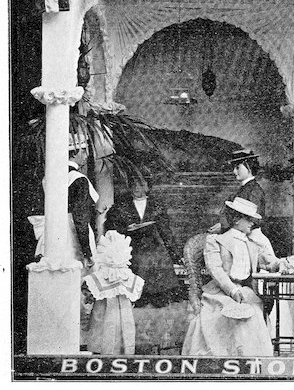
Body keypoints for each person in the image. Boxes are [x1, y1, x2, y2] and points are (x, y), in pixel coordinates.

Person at [182, 197, 281, 357]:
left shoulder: (251, 243)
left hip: (245, 292)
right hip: (220, 292)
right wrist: (232, 290)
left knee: (253, 312)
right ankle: (226, 356)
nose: (252, 223)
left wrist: (279, 263)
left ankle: (249, 358)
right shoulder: (216, 241)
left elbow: (267, 261)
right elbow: (215, 269)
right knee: (226, 315)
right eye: (248, 219)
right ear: (236, 220)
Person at [104, 176, 183, 307]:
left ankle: (159, 296)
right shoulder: (122, 206)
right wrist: (126, 229)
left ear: (148, 187)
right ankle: (140, 296)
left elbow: (165, 232)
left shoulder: (156, 206)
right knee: (141, 260)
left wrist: (175, 254)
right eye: (133, 185)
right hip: (131, 244)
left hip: (153, 244)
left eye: (141, 185)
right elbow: (111, 226)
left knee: (159, 258)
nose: (136, 188)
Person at [28, 131, 98, 267]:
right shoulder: (79, 179)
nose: (86, 155)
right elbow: (80, 218)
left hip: (51, 233)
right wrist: (87, 252)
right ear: (74, 153)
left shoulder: (48, 177)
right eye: (83, 151)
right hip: (72, 237)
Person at [84, 230, 145, 354]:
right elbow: (136, 295)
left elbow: (86, 299)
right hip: (123, 319)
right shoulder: (129, 277)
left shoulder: (98, 277)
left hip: (102, 317)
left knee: (102, 332)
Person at [208, 150, 272, 248]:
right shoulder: (244, 189)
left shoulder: (254, 190)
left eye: (237, 167)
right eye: (234, 168)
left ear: (248, 167)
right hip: (239, 235)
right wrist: (222, 225)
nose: (234, 171)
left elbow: (253, 220)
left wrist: (224, 227)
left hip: (250, 239)